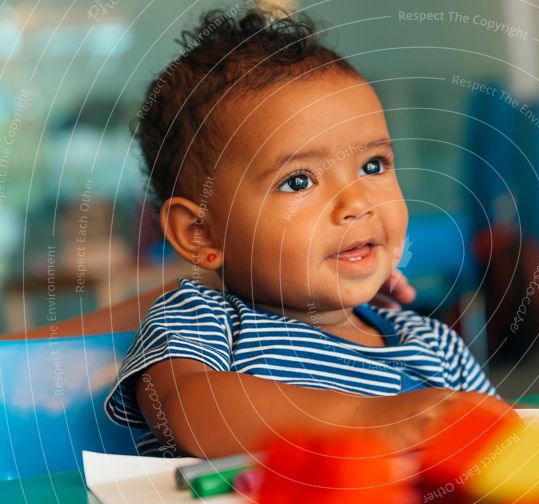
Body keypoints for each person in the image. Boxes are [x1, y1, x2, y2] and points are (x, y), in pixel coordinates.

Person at [105, 8, 508, 459]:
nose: (357, 203)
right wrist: (367, 420)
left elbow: (503, 450)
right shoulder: (205, 320)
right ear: (201, 233)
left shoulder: (434, 347)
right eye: (298, 181)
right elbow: (190, 410)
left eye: (372, 166)